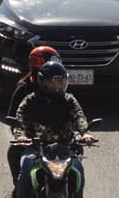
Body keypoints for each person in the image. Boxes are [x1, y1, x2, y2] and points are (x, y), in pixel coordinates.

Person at [12, 61, 90, 198]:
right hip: (36, 149)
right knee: (26, 167)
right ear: (42, 82)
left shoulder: (69, 100)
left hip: (65, 149)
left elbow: (79, 116)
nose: (57, 86)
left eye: (60, 82)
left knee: (78, 168)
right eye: (52, 83)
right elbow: (19, 121)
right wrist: (21, 136)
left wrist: (85, 133)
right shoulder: (31, 101)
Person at [6, 46, 62, 180]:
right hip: (33, 140)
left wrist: (82, 132)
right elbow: (14, 118)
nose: (54, 84)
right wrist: (22, 135)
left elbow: (74, 113)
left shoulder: (61, 92)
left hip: (58, 139)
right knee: (14, 153)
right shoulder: (24, 91)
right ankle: (18, 188)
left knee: (77, 156)